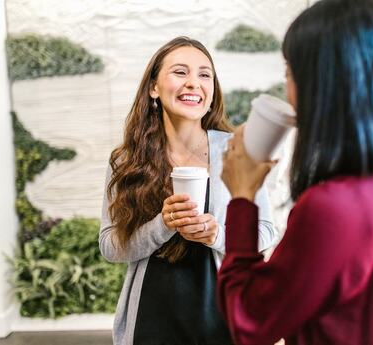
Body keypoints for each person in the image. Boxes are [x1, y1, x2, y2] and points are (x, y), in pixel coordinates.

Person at [218, 1, 373, 344]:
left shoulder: (333, 207)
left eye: (290, 73)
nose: (289, 92)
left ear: (324, 84)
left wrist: (242, 198)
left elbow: (249, 323)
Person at [99, 36, 277, 345]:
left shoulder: (237, 152)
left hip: (223, 321)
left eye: (204, 74)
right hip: (151, 322)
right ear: (154, 88)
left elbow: (266, 231)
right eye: (180, 72)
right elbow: (110, 246)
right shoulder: (126, 161)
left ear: (211, 93)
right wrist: (163, 225)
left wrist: (216, 234)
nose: (193, 83)